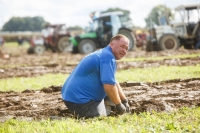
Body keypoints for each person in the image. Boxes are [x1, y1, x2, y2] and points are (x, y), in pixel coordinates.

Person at [61, 34, 130, 119]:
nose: (124, 51)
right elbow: (109, 86)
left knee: (112, 90)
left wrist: (124, 101)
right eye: (122, 46)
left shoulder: (105, 54)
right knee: (98, 120)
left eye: (126, 49)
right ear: (112, 44)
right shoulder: (107, 57)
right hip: (79, 100)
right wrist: (119, 105)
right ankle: (59, 119)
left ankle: (106, 111)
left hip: (71, 96)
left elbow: (113, 82)